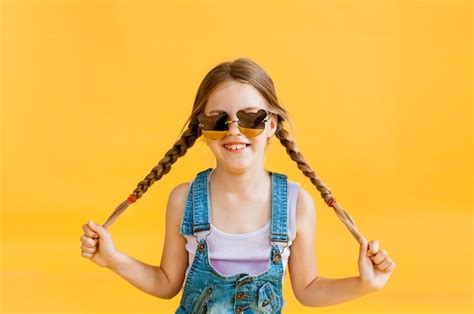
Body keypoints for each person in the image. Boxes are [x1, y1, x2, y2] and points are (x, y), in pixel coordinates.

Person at [80, 58, 396, 313]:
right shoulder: (184, 200)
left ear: (271, 124)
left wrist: (365, 284)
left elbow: (308, 289)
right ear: (202, 130)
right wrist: (112, 259)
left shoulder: (296, 204)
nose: (234, 131)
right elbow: (166, 283)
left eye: (250, 119)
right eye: (219, 120)